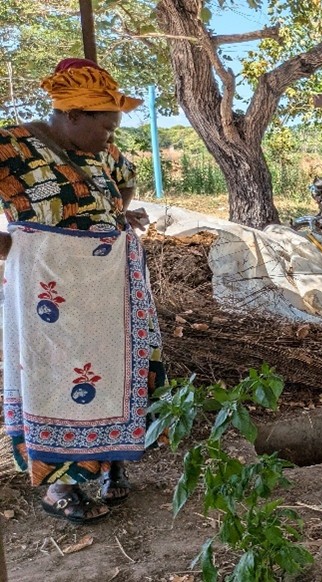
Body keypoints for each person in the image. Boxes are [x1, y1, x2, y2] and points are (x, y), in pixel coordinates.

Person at [0, 58, 162, 523]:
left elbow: (124, 185)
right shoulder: (12, 144)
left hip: (105, 287)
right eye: (106, 127)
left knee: (112, 368)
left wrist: (116, 217)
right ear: (72, 115)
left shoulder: (103, 154)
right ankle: (58, 484)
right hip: (45, 291)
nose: (111, 137)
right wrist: (7, 242)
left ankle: (110, 463)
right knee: (51, 375)